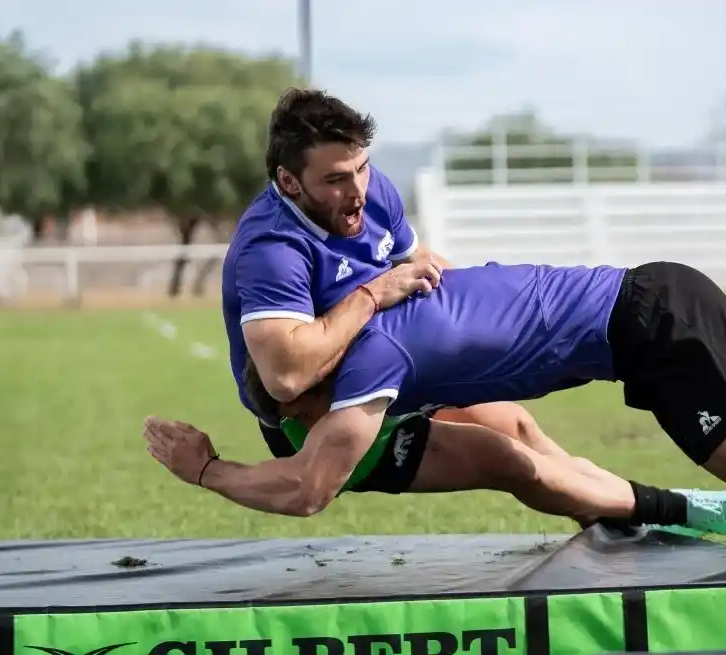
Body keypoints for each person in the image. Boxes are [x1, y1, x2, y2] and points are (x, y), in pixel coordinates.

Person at [150, 260, 726, 630]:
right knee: (522, 452)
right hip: (653, 320)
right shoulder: (353, 346)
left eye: (299, 393)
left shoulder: (372, 357)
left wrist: (205, 468)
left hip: (662, 327)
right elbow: (508, 440)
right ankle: (725, 511)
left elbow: (312, 487)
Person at [221, 86, 579, 470]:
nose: (358, 190)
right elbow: (286, 377)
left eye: (361, 168)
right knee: (507, 458)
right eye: (335, 179)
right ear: (290, 182)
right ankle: (625, 513)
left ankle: (623, 519)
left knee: (517, 428)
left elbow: (417, 261)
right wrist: (374, 293)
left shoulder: (373, 192)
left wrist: (491, 308)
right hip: (311, 416)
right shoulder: (272, 247)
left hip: (388, 361)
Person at [144, 359, 726, 541]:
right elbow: (299, 490)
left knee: (520, 428)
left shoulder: (352, 346)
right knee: (510, 462)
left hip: (395, 385)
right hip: (380, 441)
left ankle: (599, 511)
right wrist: (206, 469)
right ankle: (689, 510)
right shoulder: (311, 434)